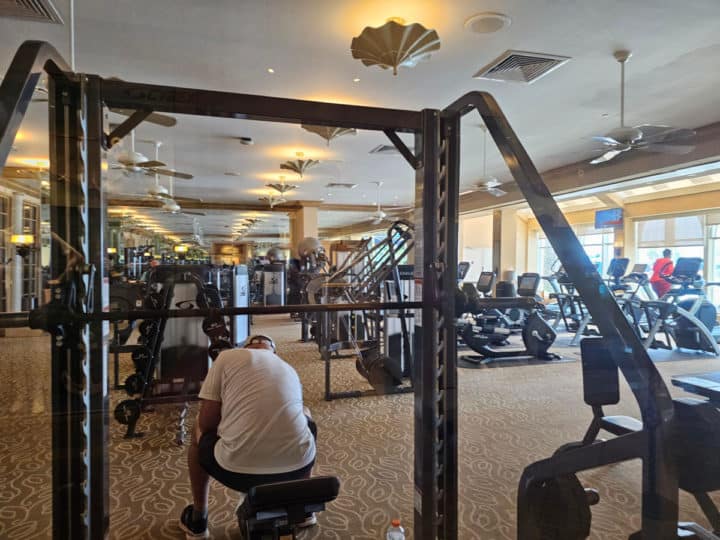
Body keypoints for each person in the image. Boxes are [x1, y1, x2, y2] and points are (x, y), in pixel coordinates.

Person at [180, 334, 317, 539]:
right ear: (272, 350)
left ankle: (199, 518)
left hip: (234, 471)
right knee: (307, 417)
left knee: (197, 430)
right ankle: (303, 508)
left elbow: (207, 424)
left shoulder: (227, 357)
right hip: (297, 469)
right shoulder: (289, 369)